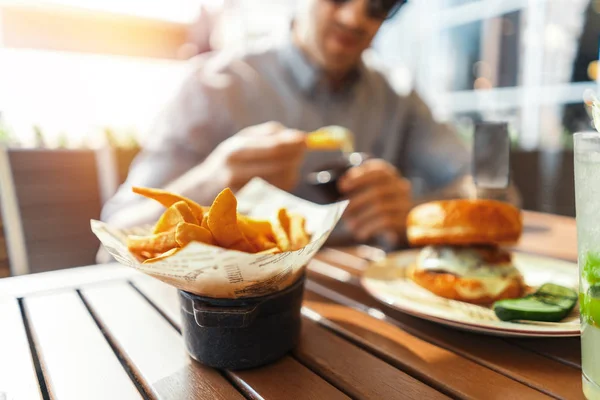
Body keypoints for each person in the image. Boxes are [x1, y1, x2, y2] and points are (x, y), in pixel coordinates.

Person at [102, 0, 472, 247]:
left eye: (379, 5)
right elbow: (117, 236)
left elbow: (492, 188)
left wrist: (413, 211)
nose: (355, 18)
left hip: (369, 310)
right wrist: (212, 181)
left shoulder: (398, 101)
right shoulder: (215, 86)